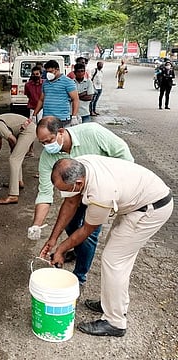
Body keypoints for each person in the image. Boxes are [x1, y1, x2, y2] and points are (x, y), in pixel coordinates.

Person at [41, 156, 173, 337]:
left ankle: (115, 322)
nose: (62, 193)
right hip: (138, 200)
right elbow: (71, 202)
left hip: (151, 208)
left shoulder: (100, 194)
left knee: (114, 260)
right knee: (119, 257)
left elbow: (86, 230)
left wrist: (61, 250)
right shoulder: (79, 164)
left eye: (63, 190)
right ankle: (112, 303)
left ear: (78, 183)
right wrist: (53, 239)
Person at [28, 116, 133, 285]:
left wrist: (112, 185)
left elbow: (125, 156)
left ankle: (79, 278)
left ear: (61, 132)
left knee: (88, 235)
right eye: (42, 143)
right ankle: (76, 247)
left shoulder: (92, 132)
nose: (47, 147)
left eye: (49, 141)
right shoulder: (48, 157)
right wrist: (38, 226)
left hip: (102, 192)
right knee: (70, 225)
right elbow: (47, 194)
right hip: (76, 193)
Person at [0, 113, 36, 204]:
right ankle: (18, 181)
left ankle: (13, 195)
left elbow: (12, 139)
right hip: (26, 130)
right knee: (15, 157)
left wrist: (15, 150)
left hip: (28, 131)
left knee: (14, 159)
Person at [32, 60, 79, 127]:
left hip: (62, 119)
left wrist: (74, 116)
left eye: (51, 71)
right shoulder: (45, 83)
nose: (48, 74)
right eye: (47, 72)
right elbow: (41, 100)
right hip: (47, 118)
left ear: (57, 70)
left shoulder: (68, 82)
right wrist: (34, 114)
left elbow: (75, 99)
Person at [24, 66, 43, 157]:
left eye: (37, 74)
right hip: (32, 109)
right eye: (34, 74)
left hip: (43, 109)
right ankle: (30, 150)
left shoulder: (45, 84)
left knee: (44, 129)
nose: (35, 76)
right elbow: (28, 95)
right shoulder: (28, 85)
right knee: (31, 130)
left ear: (40, 74)